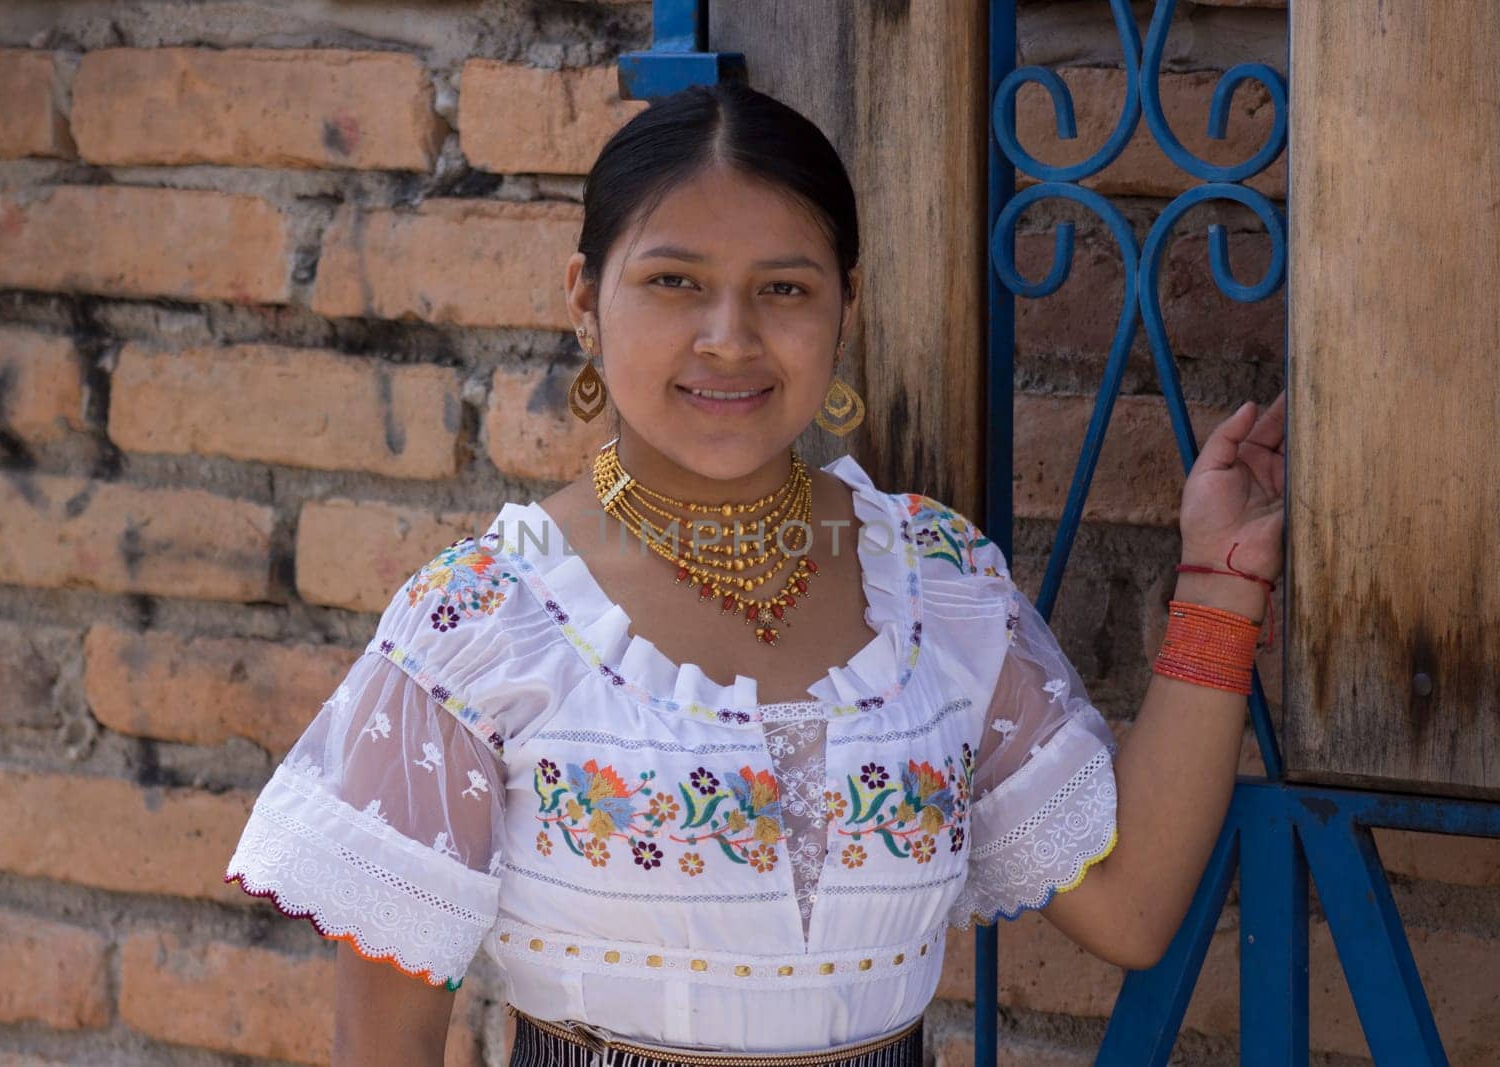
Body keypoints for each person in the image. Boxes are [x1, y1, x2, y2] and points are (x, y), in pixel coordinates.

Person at [225, 80, 1285, 1066]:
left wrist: (1221, 580)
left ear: (844, 306)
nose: (728, 339)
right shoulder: (483, 621)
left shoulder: (937, 586)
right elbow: (388, 1041)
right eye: (674, 281)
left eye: (783, 287)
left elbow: (1133, 903)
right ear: (584, 299)